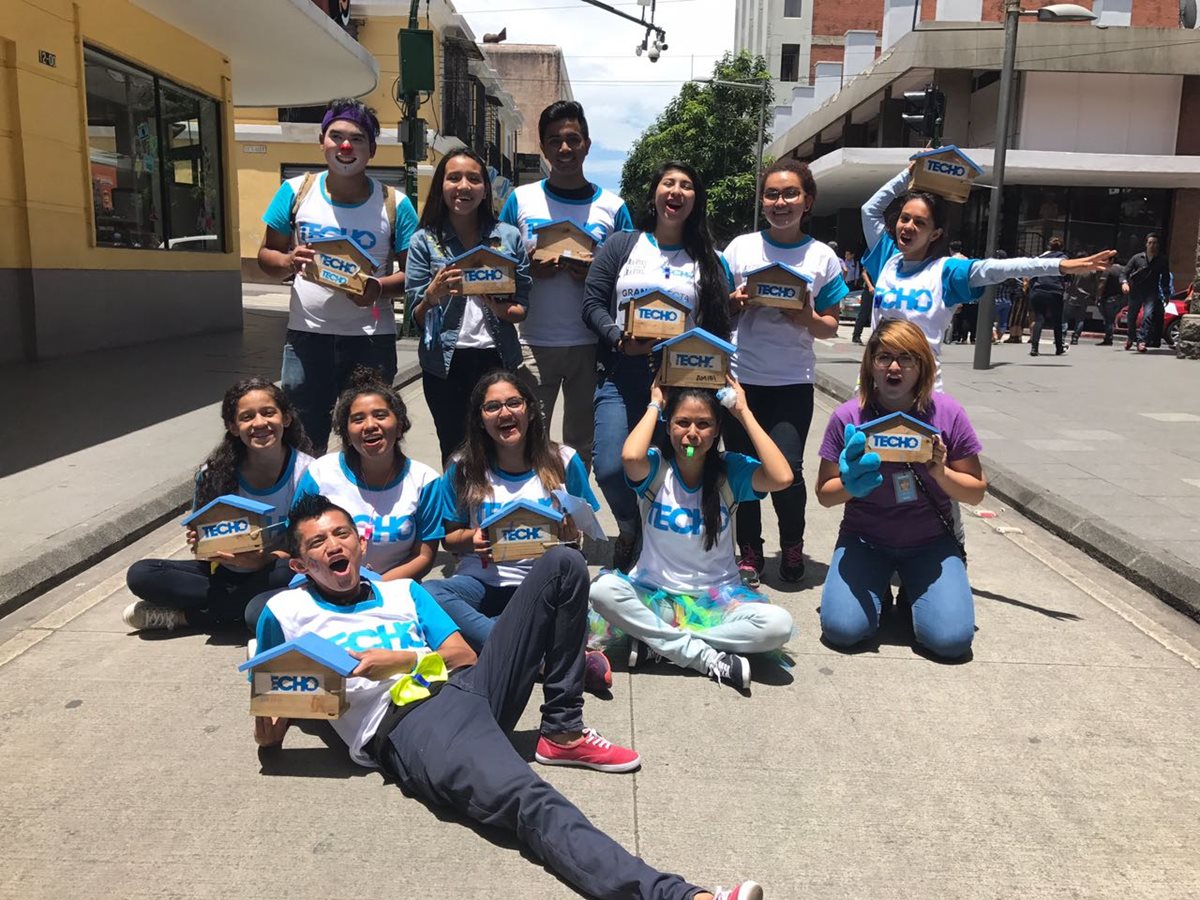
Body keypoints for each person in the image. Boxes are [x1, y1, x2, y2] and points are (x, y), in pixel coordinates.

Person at [254, 494, 764, 899]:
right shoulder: (285, 614)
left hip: (467, 687)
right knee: (532, 802)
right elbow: (272, 722)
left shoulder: (402, 594)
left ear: (361, 542)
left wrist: (402, 660)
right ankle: (678, 897)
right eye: (317, 543)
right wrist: (269, 719)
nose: (332, 546)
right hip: (412, 725)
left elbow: (462, 656)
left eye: (340, 533)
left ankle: (562, 728)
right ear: (300, 563)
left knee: (563, 563)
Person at [589, 376, 794, 692]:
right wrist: (655, 403)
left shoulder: (731, 471)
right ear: (669, 425)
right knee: (602, 590)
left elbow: (782, 477)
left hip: (719, 601)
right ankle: (703, 657)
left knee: (778, 626)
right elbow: (629, 457)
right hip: (655, 597)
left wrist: (743, 412)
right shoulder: (655, 468)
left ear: (717, 430)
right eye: (682, 422)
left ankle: (656, 642)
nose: (692, 434)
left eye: (704, 424)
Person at [582, 160, 734, 572]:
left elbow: (720, 324)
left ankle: (659, 544)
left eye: (687, 185)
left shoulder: (708, 258)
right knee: (612, 466)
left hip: (683, 382)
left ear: (695, 201)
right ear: (654, 193)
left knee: (676, 466)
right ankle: (629, 526)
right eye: (669, 182)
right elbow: (592, 304)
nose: (677, 191)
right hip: (621, 372)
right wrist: (618, 339)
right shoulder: (621, 245)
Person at [815, 320, 987, 660]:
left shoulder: (948, 413)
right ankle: (878, 585)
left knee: (951, 642)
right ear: (870, 364)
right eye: (884, 357)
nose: (895, 367)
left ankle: (913, 591)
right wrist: (850, 486)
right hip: (865, 540)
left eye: (907, 358)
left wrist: (941, 473)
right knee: (843, 631)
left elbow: (976, 491)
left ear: (922, 365)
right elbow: (824, 493)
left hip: (930, 544)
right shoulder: (848, 416)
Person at [257, 98, 419, 453]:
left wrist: (377, 288)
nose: (346, 146)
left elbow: (415, 274)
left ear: (372, 149)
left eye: (357, 139)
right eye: (337, 136)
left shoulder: (396, 204)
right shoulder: (296, 191)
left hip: (370, 341)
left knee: (369, 441)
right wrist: (287, 261)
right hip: (306, 338)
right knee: (302, 437)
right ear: (322, 142)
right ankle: (309, 506)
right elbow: (266, 256)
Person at [423, 371, 609, 679]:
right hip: (481, 583)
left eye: (513, 403)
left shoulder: (564, 460)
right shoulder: (463, 466)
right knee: (428, 594)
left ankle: (494, 647)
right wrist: (473, 539)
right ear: (480, 419)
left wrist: (568, 536)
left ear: (531, 410)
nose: (505, 413)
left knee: (566, 607)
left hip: (540, 587)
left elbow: (581, 540)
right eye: (492, 407)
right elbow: (451, 537)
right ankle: (534, 658)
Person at [861, 166, 1113, 386]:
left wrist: (1059, 266)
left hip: (921, 392)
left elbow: (1000, 268)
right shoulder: (887, 258)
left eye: (920, 223)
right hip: (874, 385)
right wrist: (910, 174)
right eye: (905, 219)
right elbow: (870, 209)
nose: (908, 226)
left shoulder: (946, 271)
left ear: (935, 234)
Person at [722, 159, 847, 585]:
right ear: (763, 201)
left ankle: (792, 545)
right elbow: (716, 309)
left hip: (792, 380)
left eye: (790, 194)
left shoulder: (822, 256)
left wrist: (806, 319)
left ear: (806, 201)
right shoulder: (739, 249)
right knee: (743, 467)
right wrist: (735, 302)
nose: (781, 202)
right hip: (741, 379)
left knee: (787, 471)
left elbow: (830, 324)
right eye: (773, 194)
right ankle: (750, 551)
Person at [500, 101, 634, 472]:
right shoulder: (519, 200)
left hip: (591, 345)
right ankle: (536, 516)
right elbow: (497, 263)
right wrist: (526, 269)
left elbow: (632, 277)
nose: (564, 149)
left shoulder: (613, 207)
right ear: (542, 146)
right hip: (532, 341)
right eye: (554, 140)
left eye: (573, 139)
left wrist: (597, 275)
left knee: (581, 446)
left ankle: (575, 519)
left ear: (587, 145)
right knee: (527, 438)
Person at [123, 378, 314, 632]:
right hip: (223, 572)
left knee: (290, 573)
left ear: (286, 418)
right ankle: (235, 607)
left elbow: (310, 548)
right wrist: (201, 542)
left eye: (268, 413)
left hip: (275, 569)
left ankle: (186, 618)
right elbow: (203, 542)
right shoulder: (214, 473)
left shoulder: (308, 473)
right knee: (142, 574)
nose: (259, 423)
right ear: (233, 427)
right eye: (247, 417)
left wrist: (260, 560)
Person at [406, 149, 532, 463]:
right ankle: (459, 511)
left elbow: (522, 306)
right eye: (454, 178)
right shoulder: (425, 240)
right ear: (441, 186)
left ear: (485, 189)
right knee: (455, 451)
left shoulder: (508, 237)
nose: (464, 186)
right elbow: (418, 317)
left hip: (497, 357)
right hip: (445, 365)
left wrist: (503, 309)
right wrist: (432, 294)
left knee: (502, 449)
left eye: (474, 179)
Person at [293, 369, 443, 582]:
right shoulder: (320, 472)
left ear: (400, 425)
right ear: (346, 432)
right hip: (325, 585)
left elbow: (423, 556)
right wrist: (339, 585)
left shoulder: (425, 480)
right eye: (358, 419)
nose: (370, 426)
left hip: (393, 589)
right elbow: (298, 539)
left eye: (380, 415)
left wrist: (374, 585)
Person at [1120, 233, 1172, 353]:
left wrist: (1167, 293)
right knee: (1131, 316)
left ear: (1158, 245)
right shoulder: (1137, 258)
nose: (1152, 245)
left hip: (1151, 292)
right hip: (1136, 291)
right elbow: (1124, 272)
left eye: (1155, 243)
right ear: (1146, 244)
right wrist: (1124, 283)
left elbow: (1165, 278)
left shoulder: (1162, 260)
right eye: (1150, 243)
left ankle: (1141, 341)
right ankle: (1131, 337)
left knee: (1147, 316)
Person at [1027, 238, 1068, 357]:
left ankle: (1034, 348)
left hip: (1039, 289)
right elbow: (1067, 275)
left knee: (1039, 319)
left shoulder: (1041, 258)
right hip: (1055, 291)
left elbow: (1032, 275)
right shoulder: (1063, 258)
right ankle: (1059, 347)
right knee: (1057, 320)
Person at [1097, 260, 1125, 346]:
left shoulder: (1108, 270)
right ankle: (1109, 337)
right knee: (1112, 319)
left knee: (1108, 319)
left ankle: (1108, 338)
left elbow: (1102, 284)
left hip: (1108, 298)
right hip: (1120, 297)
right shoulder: (1123, 270)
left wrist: (1098, 296)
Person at [991, 250, 1016, 343]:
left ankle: (994, 336)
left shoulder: (995, 269)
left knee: (989, 319)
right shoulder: (1009, 271)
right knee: (1003, 321)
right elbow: (1018, 284)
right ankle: (999, 337)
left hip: (996, 299)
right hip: (1007, 299)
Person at [851, 266, 874, 345]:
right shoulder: (872, 260)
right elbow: (864, 273)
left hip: (880, 291)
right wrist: (870, 286)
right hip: (869, 290)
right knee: (864, 313)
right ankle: (856, 336)